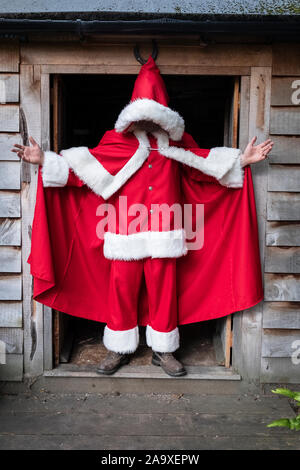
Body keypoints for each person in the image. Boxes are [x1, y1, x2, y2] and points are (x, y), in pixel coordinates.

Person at [12, 57, 273, 377]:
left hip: (165, 233)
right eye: (143, 116)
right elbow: (81, 168)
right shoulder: (116, 144)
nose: (149, 124)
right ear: (133, 116)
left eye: (155, 117)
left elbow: (206, 166)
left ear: (164, 118)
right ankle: (119, 348)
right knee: (121, 288)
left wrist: (242, 160)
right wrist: (44, 161)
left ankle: (163, 350)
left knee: (165, 290)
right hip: (124, 233)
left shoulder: (178, 146)